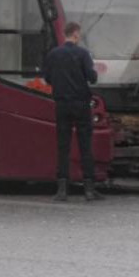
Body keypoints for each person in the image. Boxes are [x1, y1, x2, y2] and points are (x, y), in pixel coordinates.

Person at [42, 21, 102, 201]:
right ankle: (89, 189)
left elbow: (47, 78)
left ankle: (62, 190)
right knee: (85, 146)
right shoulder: (83, 54)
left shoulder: (53, 54)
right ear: (75, 34)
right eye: (79, 33)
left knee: (63, 146)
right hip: (81, 104)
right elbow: (92, 78)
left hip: (62, 104)